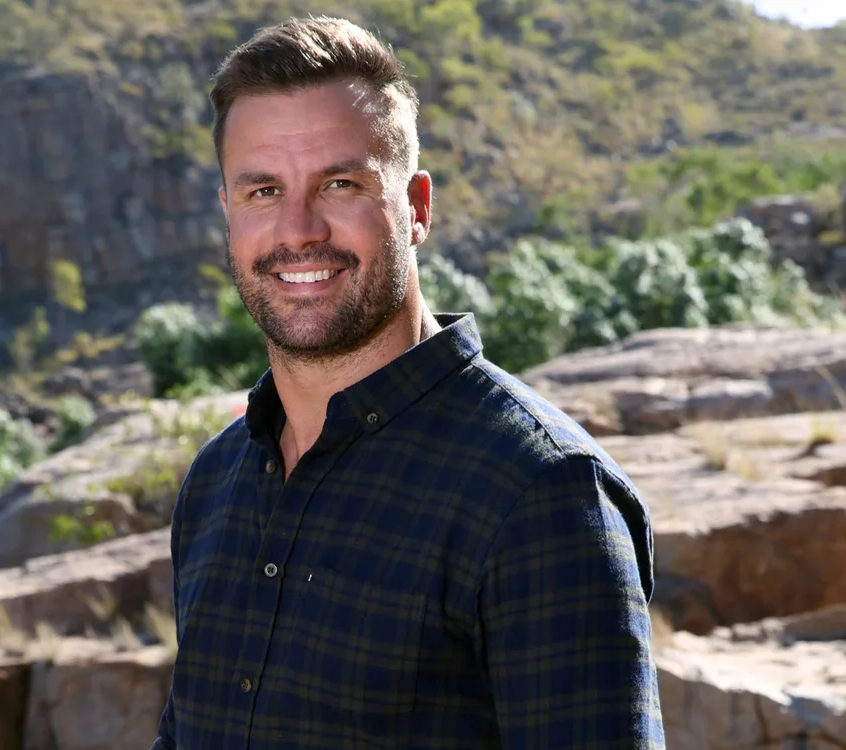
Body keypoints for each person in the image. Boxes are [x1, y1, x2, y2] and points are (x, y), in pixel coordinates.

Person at [152, 15, 665, 750]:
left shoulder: (540, 494)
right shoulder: (216, 481)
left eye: (340, 183)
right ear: (228, 214)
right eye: (263, 191)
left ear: (416, 207)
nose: (298, 230)